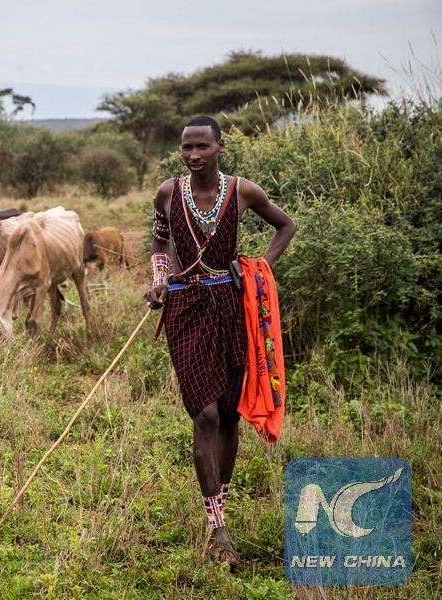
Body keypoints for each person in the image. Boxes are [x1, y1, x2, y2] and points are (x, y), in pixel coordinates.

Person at [145, 116, 296, 571]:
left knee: (229, 414)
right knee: (205, 413)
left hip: (233, 308)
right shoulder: (168, 193)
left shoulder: (243, 192)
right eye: (186, 147)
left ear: (220, 147)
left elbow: (286, 226)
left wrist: (258, 268)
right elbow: (159, 241)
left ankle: (217, 510)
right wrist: (159, 280)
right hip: (185, 308)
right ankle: (219, 529)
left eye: (202, 147)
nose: (193, 155)